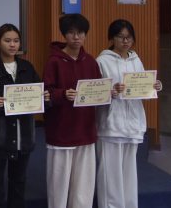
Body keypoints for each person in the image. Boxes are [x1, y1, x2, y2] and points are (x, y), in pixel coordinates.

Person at [0, 23, 50, 208]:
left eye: (16, 41)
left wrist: (44, 97)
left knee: (19, 180)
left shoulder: (27, 67)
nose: (12, 45)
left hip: (23, 135)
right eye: (7, 40)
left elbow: (38, 95)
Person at [96, 19, 162, 208]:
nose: (125, 41)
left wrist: (154, 86)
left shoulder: (136, 59)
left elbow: (141, 87)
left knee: (129, 172)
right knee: (110, 175)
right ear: (111, 38)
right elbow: (95, 92)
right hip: (111, 124)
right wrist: (111, 91)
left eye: (129, 37)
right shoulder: (102, 61)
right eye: (120, 37)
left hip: (133, 123)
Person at [43, 13, 101, 208]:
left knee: (84, 184)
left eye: (81, 33)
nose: (76, 37)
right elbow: (45, 93)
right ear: (64, 34)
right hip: (61, 130)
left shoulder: (90, 61)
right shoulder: (54, 61)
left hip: (85, 129)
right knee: (58, 183)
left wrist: (108, 92)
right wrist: (62, 94)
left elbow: (98, 89)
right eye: (71, 33)